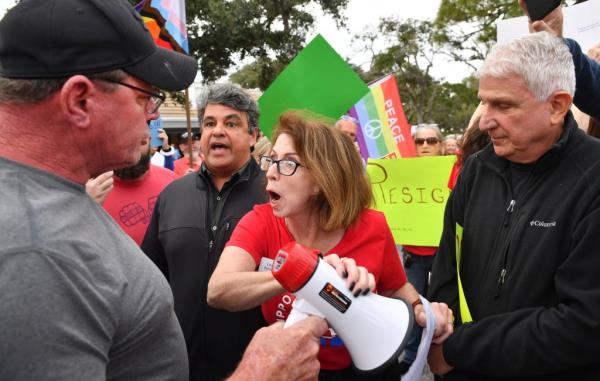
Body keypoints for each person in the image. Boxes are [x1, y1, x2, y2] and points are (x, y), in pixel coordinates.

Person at [0, 1, 329, 380]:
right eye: (145, 96)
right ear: (80, 100)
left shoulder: (50, 206)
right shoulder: (34, 250)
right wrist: (258, 375)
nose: (154, 114)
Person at [207, 111, 454, 380]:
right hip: (288, 369)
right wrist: (307, 273)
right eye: (271, 160)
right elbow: (219, 290)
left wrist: (424, 311)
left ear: (321, 180)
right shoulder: (261, 220)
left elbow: (396, 287)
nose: (271, 172)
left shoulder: (372, 226)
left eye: (288, 163)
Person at [427, 31, 600, 380]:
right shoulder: (476, 169)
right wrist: (438, 327)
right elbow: (447, 268)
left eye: (503, 105)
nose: (485, 120)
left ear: (557, 105)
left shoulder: (593, 179)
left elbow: (584, 323)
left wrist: (461, 347)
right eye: (484, 102)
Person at [142, 83, 269, 381]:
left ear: (253, 136)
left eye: (232, 123)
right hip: (178, 366)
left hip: (255, 368)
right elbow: (151, 278)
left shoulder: (273, 195)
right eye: (210, 123)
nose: (218, 131)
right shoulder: (172, 195)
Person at [399, 123, 445, 374]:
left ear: (440, 145)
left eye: (432, 141)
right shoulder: (404, 172)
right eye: (420, 141)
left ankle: (442, 360)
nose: (425, 145)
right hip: (413, 256)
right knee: (414, 307)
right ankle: (410, 358)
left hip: (443, 256)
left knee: (443, 309)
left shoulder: (454, 171)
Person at [102, 141, 177, 245]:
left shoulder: (171, 181)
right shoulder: (93, 191)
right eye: (124, 142)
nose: (132, 151)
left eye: (141, 142)